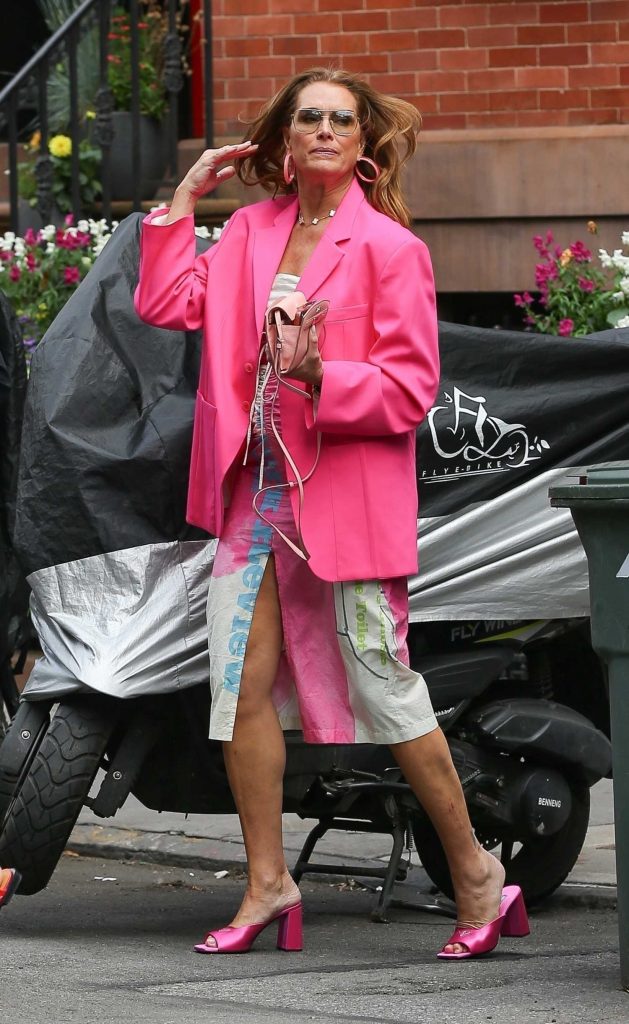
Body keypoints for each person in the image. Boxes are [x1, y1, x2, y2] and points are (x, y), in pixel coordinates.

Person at [135, 67, 529, 960]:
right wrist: (183, 197)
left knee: (386, 688)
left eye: (339, 119)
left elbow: (409, 391)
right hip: (254, 501)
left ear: (362, 143)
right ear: (282, 140)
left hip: (344, 506)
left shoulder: (391, 250)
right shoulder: (244, 231)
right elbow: (165, 303)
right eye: (306, 117)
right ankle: (267, 882)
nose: (321, 129)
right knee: (236, 692)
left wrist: (319, 376)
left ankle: (474, 873)